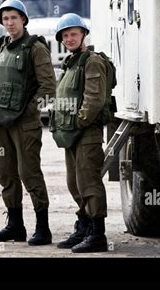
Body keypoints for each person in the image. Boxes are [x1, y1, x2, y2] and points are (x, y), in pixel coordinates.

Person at [0, 0, 56, 245]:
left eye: (14, 17)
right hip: (1, 122)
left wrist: (28, 111)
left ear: (24, 19)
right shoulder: (1, 46)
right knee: (6, 173)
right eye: (5, 19)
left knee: (29, 173)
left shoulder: (35, 47)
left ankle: (42, 229)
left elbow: (48, 88)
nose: (10, 23)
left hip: (24, 123)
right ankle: (15, 226)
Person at [50, 13, 109, 253]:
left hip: (86, 132)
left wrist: (80, 121)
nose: (69, 38)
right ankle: (83, 226)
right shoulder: (71, 62)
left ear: (83, 34)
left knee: (89, 182)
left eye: (73, 34)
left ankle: (98, 234)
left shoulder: (91, 61)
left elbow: (94, 98)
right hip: (71, 133)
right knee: (74, 183)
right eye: (65, 35)